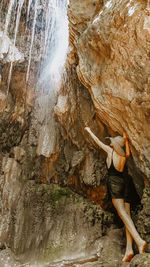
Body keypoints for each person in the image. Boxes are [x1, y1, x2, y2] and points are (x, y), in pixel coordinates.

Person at [85, 126, 146, 262]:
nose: (110, 142)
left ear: (115, 145)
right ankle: (129, 250)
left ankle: (139, 241)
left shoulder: (110, 152)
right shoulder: (123, 155)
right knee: (127, 216)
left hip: (115, 185)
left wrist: (89, 131)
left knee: (123, 214)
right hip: (126, 184)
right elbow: (128, 154)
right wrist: (126, 141)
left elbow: (98, 142)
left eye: (112, 141)